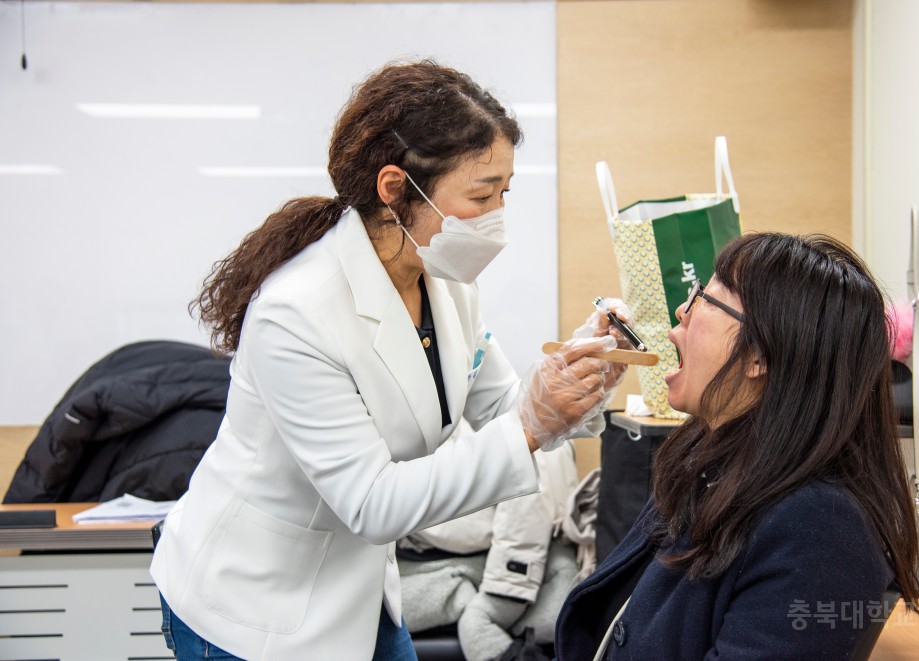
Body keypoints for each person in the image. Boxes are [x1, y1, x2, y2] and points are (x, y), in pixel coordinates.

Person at [150, 60, 628, 661]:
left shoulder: (446, 274)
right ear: (395, 188)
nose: (498, 218)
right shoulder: (295, 314)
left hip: (360, 590)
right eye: (482, 195)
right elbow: (374, 501)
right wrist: (532, 425)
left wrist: (577, 377)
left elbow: (503, 405)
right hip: (256, 607)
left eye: (504, 193)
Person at [555, 233, 919, 660]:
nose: (681, 311)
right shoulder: (705, 461)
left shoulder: (820, 532)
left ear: (759, 354)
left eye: (704, 301)